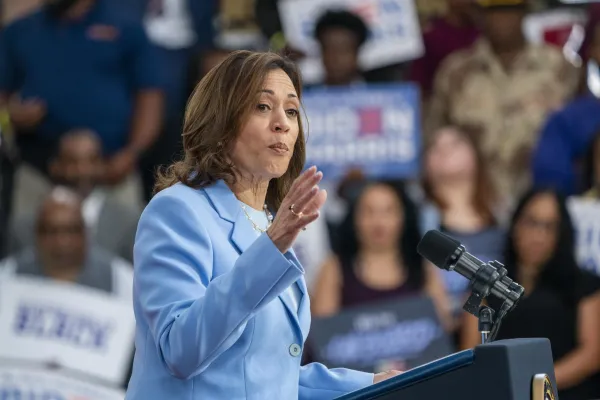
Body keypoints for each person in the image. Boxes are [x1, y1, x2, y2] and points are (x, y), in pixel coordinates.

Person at [125, 50, 401, 400]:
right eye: (262, 106)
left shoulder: (269, 221)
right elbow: (180, 349)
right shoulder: (177, 211)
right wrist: (270, 248)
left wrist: (373, 385)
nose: (282, 123)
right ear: (221, 123)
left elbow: (267, 374)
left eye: (291, 110)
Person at [461, 188, 600, 399]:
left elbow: (592, 355)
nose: (539, 236)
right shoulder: (484, 284)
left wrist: (533, 385)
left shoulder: (584, 285)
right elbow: (468, 354)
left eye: (550, 227)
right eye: (531, 223)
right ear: (515, 225)